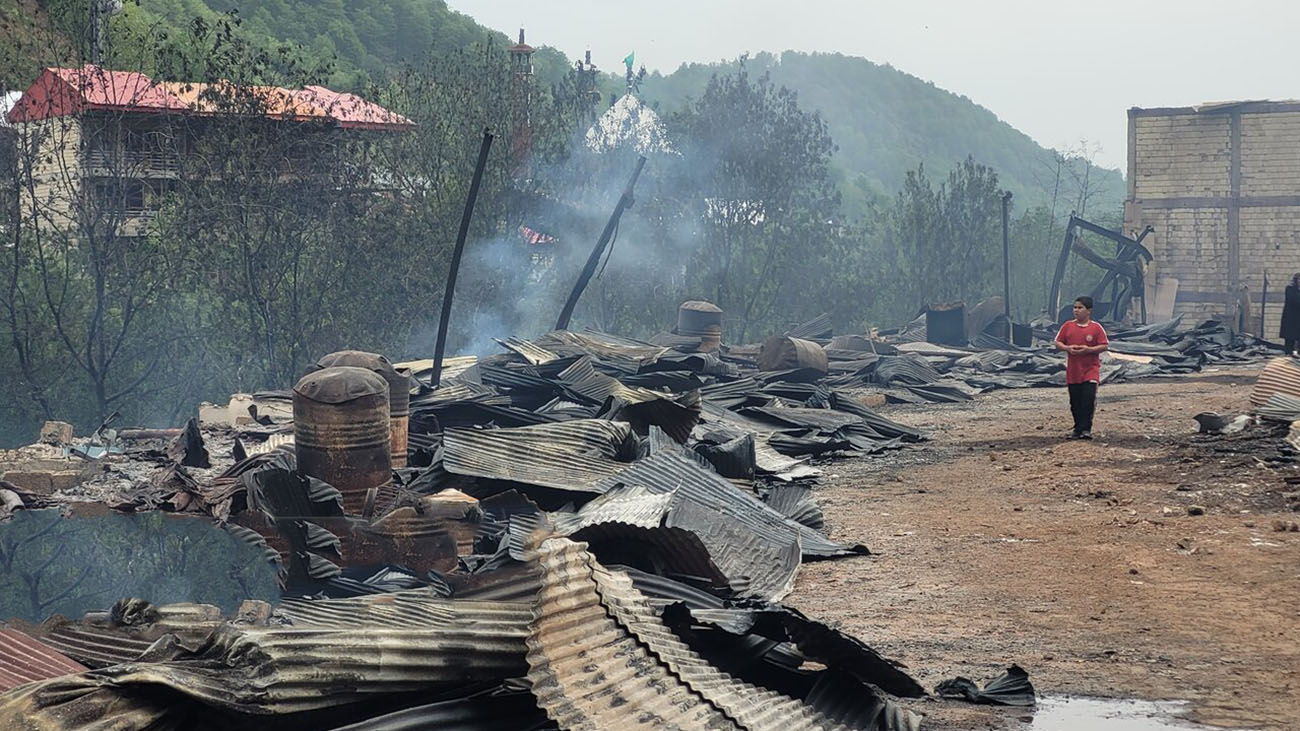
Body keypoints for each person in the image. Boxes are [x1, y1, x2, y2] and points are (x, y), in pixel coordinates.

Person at [1054, 296, 1109, 439]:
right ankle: (1077, 428)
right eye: (1075, 307)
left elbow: (1104, 345)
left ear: (1089, 311)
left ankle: (1086, 429)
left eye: (1080, 308)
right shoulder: (1067, 326)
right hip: (1073, 371)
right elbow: (1058, 342)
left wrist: (1089, 350)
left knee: (1088, 398)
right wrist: (1067, 348)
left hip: (1091, 369)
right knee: (1075, 400)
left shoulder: (1096, 328)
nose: (1076, 310)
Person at [1281, 273, 1300, 355]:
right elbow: (1295, 300)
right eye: (1299, 279)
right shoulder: (1290, 289)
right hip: (1291, 319)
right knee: (1289, 341)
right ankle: (1288, 356)